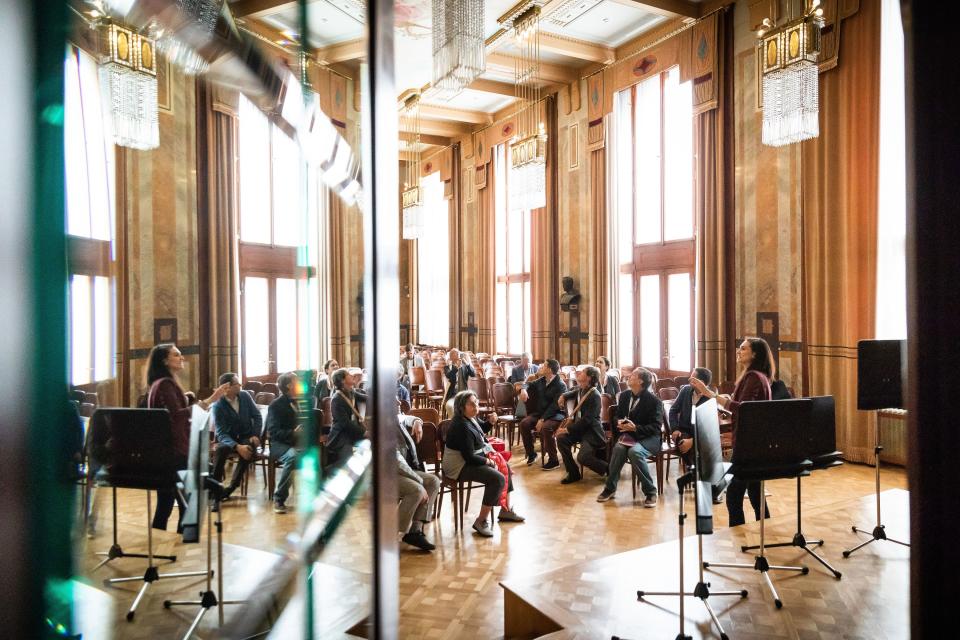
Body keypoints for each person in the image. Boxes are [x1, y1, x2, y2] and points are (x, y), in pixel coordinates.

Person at [690, 337, 775, 526]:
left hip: (748, 444)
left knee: (734, 496)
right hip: (753, 442)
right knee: (755, 493)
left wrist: (710, 394)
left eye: (743, 349)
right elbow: (743, 408)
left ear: (754, 354)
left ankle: (738, 536)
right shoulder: (756, 375)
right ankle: (767, 529)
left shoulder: (754, 377)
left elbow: (743, 409)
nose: (739, 351)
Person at [144, 344, 229, 531]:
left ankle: (169, 545)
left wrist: (187, 398)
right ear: (165, 360)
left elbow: (175, 411)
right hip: (174, 452)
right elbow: (176, 417)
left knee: (168, 504)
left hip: (168, 452)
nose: (182, 358)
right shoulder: (165, 384)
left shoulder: (161, 383)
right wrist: (209, 400)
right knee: (186, 503)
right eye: (176, 355)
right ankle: (179, 543)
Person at [442, 391, 524, 537]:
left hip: (469, 460)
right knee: (497, 478)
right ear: (461, 407)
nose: (476, 406)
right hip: (458, 467)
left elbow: (480, 433)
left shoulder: (470, 419)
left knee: (505, 467)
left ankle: (505, 511)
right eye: (471, 404)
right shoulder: (461, 425)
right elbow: (468, 457)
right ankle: (481, 521)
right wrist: (489, 461)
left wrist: (490, 423)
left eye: (477, 403)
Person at [596, 367, 664, 507]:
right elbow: (618, 416)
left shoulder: (654, 401)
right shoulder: (625, 395)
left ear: (640, 381)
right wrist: (619, 422)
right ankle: (610, 488)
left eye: (632, 376)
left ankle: (651, 492)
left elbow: (656, 428)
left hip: (649, 438)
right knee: (619, 449)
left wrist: (635, 428)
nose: (628, 377)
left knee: (635, 452)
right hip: (629, 436)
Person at [211, 373, 263, 501]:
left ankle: (232, 487)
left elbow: (257, 416)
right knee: (221, 450)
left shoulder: (244, 395)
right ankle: (214, 489)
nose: (240, 385)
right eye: (237, 384)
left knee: (248, 448)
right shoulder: (218, 405)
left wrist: (256, 435)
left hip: (246, 435)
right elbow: (221, 433)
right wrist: (236, 446)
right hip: (229, 438)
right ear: (227, 387)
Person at [556, 366, 608, 484]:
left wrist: (567, 429)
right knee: (561, 439)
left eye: (583, 372)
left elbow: (587, 420)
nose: (579, 372)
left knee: (582, 457)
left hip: (591, 432)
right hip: (580, 430)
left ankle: (608, 469)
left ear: (589, 377)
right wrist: (563, 396)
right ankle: (573, 473)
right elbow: (572, 392)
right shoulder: (581, 388)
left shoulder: (595, 395)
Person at [396, 412, 440, 551]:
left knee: (433, 481)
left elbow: (406, 418)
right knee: (417, 489)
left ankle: (415, 531)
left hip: (406, 470)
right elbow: (398, 463)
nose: (398, 401)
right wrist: (419, 481)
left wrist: (417, 422)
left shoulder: (395, 417)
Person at [517, 359, 567, 469]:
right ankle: (531, 454)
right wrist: (523, 390)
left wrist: (543, 419)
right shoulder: (542, 380)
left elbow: (555, 406)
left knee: (546, 428)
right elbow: (527, 384)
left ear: (549, 369)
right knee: (524, 424)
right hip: (540, 413)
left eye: (544, 366)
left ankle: (554, 460)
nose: (541, 367)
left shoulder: (560, 385)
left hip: (556, 414)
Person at [265, 372, 301, 514]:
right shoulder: (275, 405)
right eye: (297, 381)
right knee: (292, 457)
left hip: (298, 442)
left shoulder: (301, 401)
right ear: (289, 385)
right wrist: (293, 433)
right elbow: (274, 432)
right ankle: (279, 498)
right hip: (280, 444)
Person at [669, 367, 715, 462]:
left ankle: (695, 473)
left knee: (704, 446)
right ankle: (695, 473)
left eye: (692, 377)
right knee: (683, 443)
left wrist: (693, 441)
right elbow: (673, 410)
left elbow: (710, 427)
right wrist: (675, 429)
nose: (689, 379)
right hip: (683, 431)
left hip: (701, 434)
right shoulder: (685, 390)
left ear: (700, 382)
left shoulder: (710, 397)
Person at [326, 367, 368, 468]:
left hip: (353, 432)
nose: (352, 375)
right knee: (349, 461)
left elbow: (366, 398)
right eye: (348, 374)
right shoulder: (336, 399)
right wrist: (364, 432)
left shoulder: (351, 392)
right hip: (341, 435)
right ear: (343, 380)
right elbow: (344, 423)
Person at [442, 349, 476, 416]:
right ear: (451, 358)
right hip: (453, 395)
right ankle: (454, 422)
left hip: (464, 395)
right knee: (450, 406)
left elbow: (473, 374)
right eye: (453, 356)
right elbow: (449, 376)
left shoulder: (464, 367)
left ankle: (467, 423)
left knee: (472, 406)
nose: (456, 358)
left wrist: (467, 364)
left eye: (457, 355)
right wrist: (456, 368)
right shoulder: (447, 367)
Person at [507, 351, 538, 418]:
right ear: (521, 361)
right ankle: (523, 416)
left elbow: (538, 382)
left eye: (528, 361)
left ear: (531, 361)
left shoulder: (536, 368)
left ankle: (531, 415)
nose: (527, 363)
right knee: (523, 397)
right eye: (525, 361)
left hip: (533, 390)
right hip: (520, 391)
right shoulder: (515, 369)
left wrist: (523, 382)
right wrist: (525, 382)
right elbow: (513, 383)